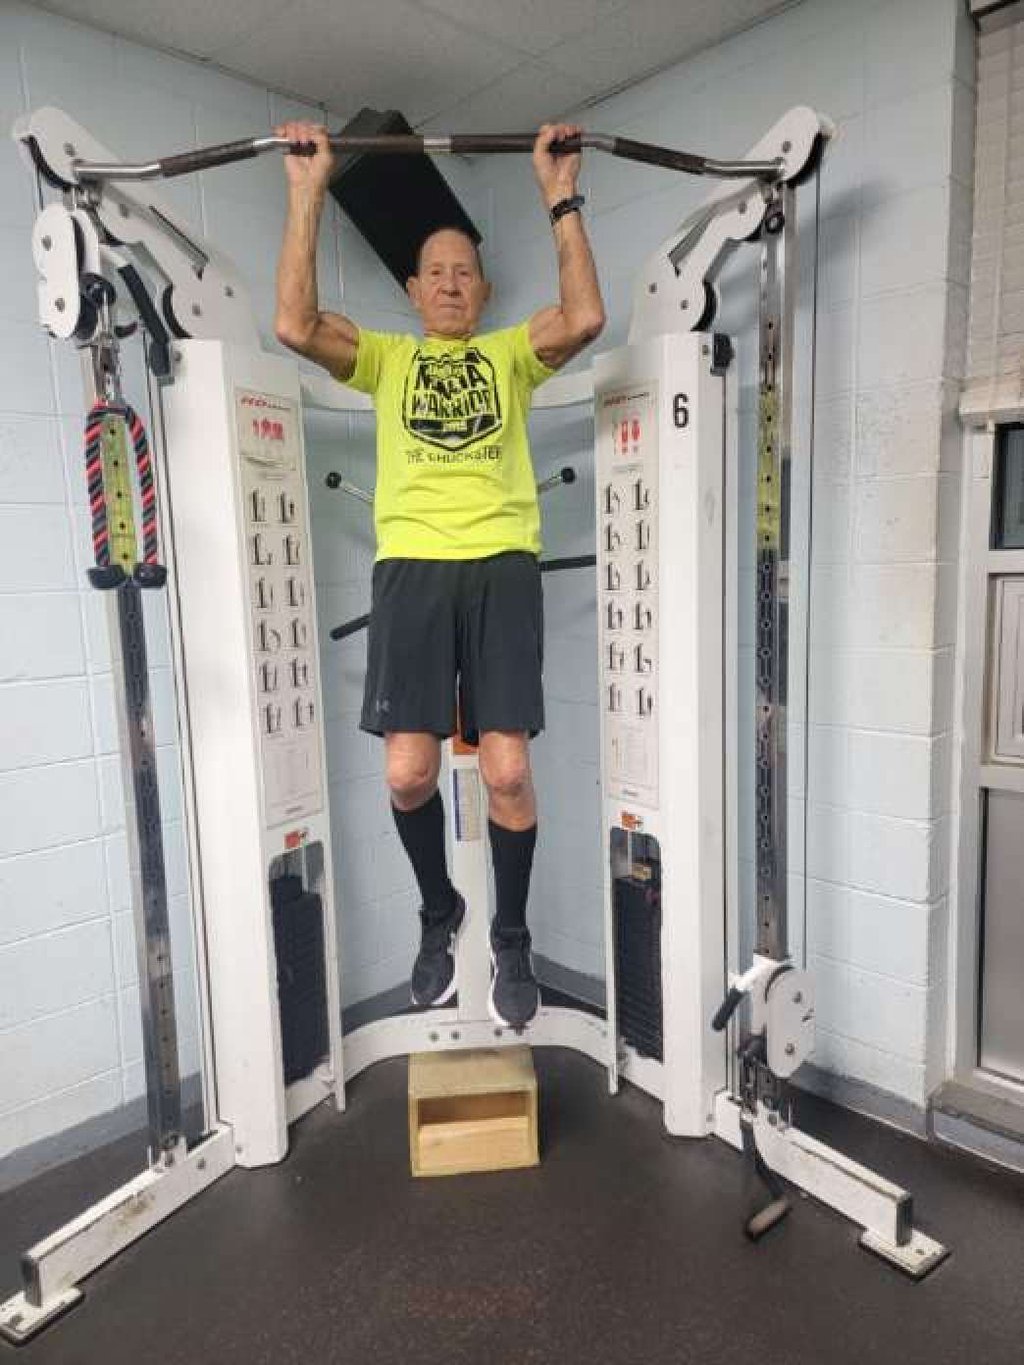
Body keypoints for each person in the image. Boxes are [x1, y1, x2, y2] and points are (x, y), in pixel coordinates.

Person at [275, 119, 604, 1029]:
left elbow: (584, 317)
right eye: (436, 273)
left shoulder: (510, 357)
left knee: (507, 771)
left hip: (501, 567)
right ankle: (438, 910)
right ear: (413, 292)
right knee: (409, 774)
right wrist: (307, 191)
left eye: (466, 272)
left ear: (483, 291)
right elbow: (294, 324)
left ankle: (511, 935)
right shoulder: (388, 359)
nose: (452, 283)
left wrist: (559, 194)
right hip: (412, 570)